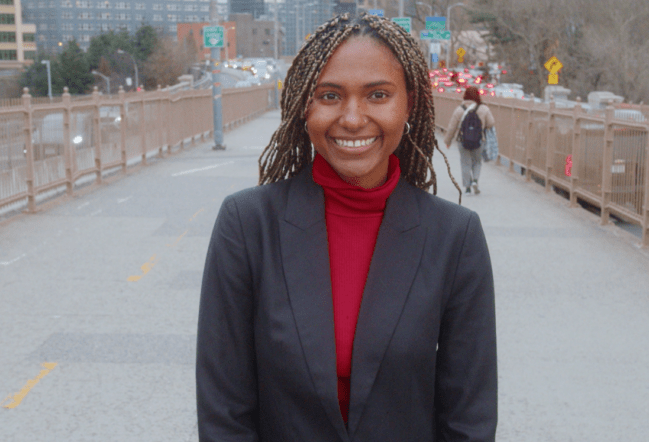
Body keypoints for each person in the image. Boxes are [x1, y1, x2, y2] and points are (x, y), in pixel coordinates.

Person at [196, 13, 497, 442]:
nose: (353, 119)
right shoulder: (247, 226)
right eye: (330, 95)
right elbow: (224, 412)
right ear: (304, 104)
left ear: (409, 102)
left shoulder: (455, 237)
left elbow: (469, 419)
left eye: (378, 95)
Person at [444, 86, 496, 195]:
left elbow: (452, 127)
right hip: (479, 140)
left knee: (465, 162)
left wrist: (447, 141)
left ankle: (467, 187)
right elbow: (491, 123)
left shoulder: (459, 109)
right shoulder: (484, 108)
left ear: (465, 95)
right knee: (477, 162)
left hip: (462, 140)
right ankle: (475, 181)